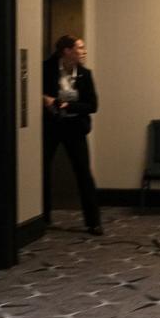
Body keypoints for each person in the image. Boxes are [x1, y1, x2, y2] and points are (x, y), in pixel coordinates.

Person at [42, 35, 103, 235]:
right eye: (80, 48)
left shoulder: (85, 74)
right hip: (51, 127)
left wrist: (70, 105)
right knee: (42, 170)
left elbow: (93, 105)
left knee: (83, 173)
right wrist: (46, 100)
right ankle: (42, 217)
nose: (84, 51)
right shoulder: (46, 68)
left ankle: (93, 222)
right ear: (67, 51)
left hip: (75, 127)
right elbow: (33, 89)